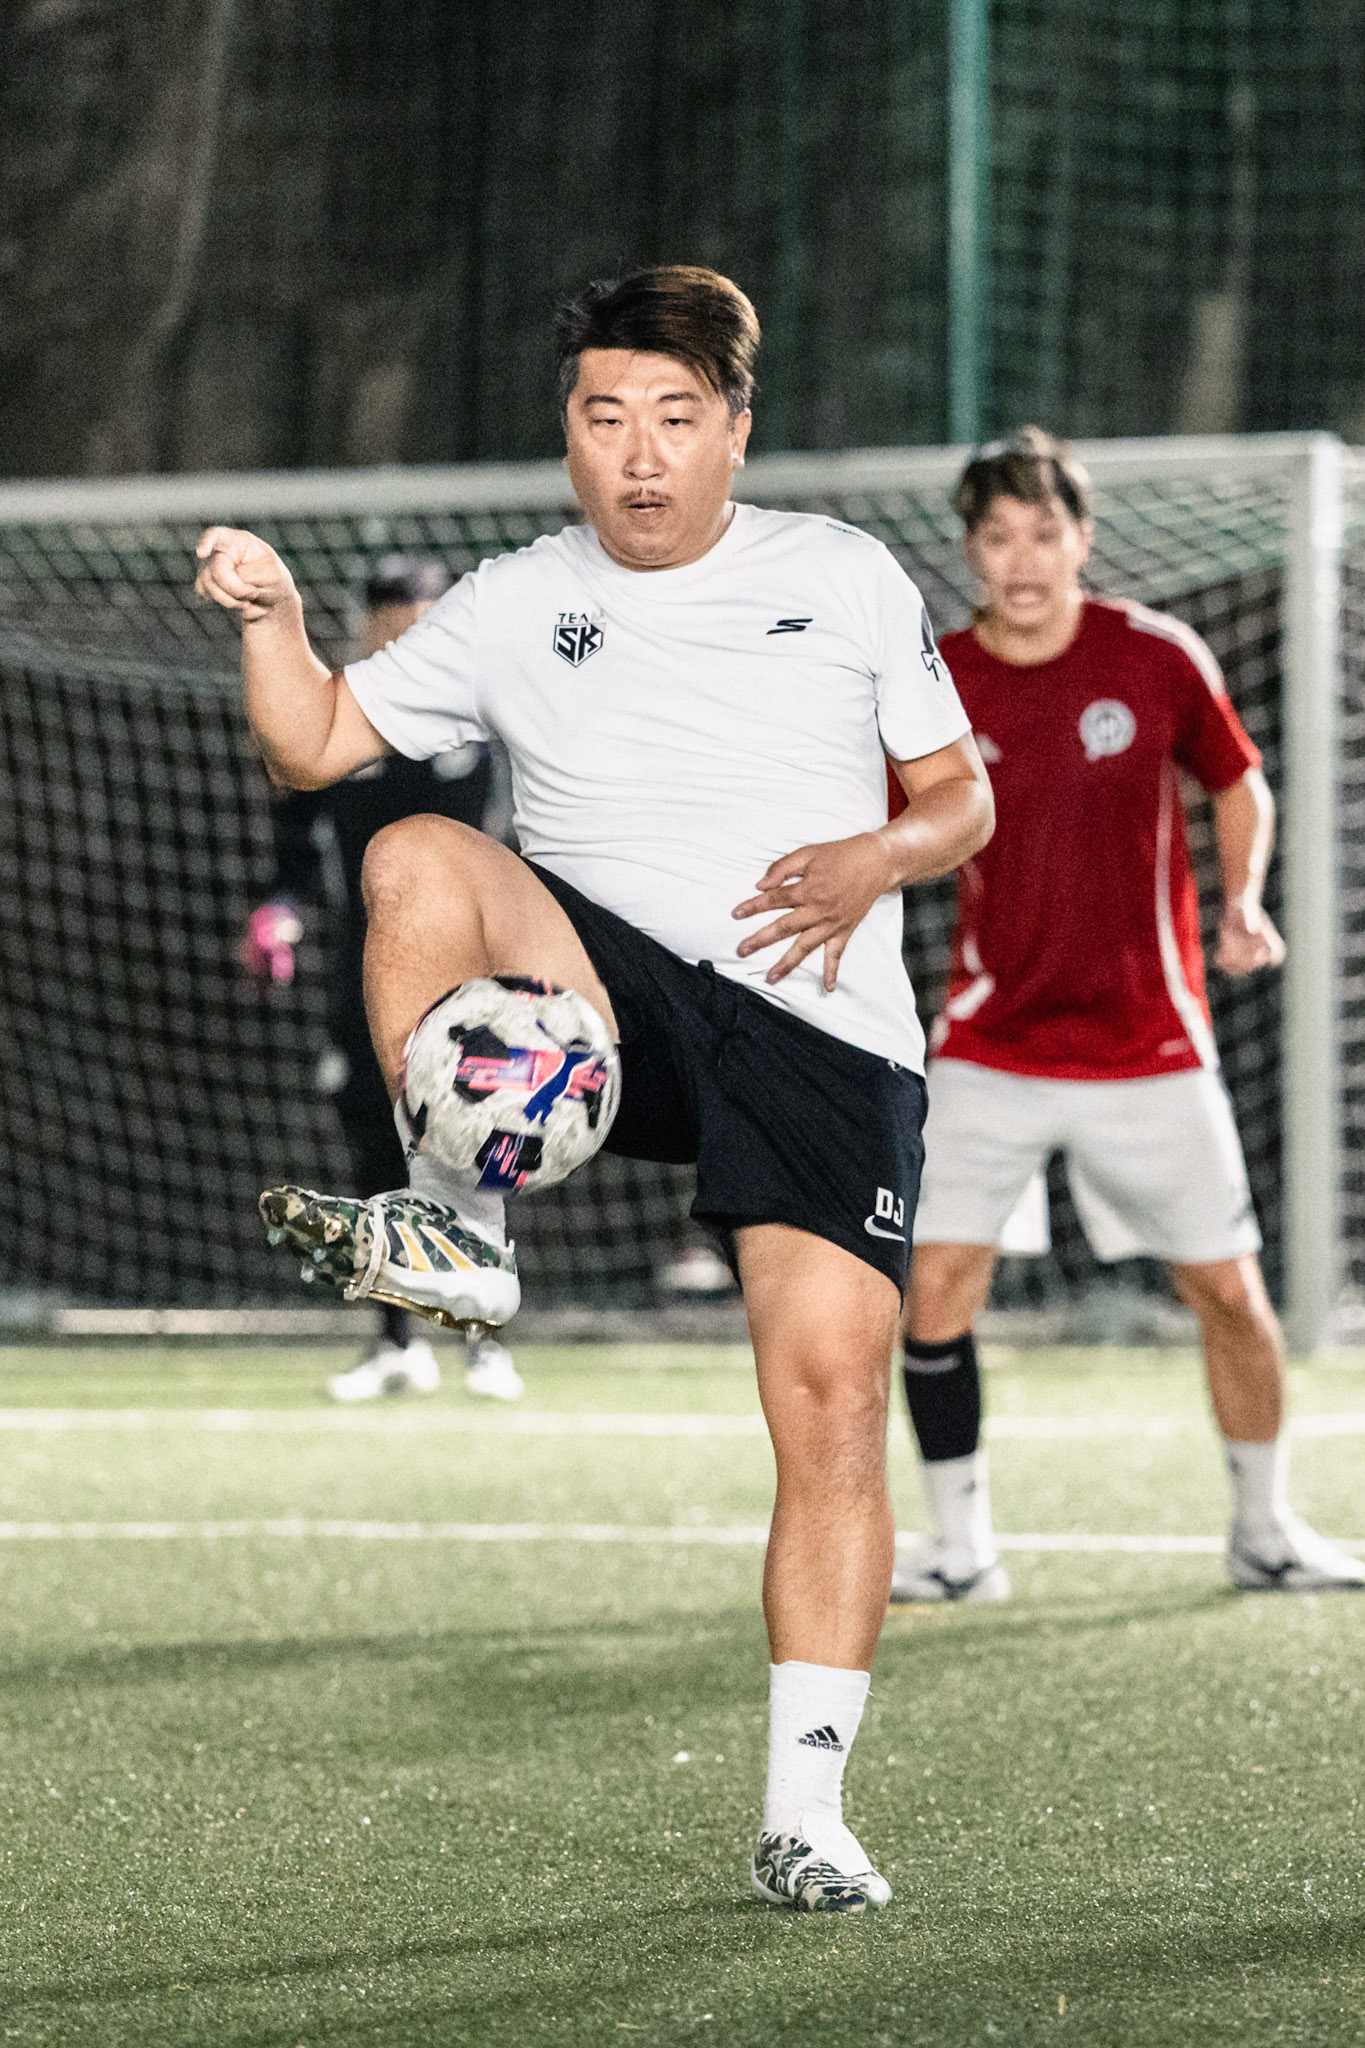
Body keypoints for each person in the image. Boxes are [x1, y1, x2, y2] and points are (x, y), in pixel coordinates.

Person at [194, 264, 993, 1912]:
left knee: (832, 1399)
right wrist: (274, 620)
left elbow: (962, 797)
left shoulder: (841, 575)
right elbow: (317, 747)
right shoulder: (508, 596)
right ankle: (459, 1227)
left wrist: (878, 854)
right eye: (606, 415)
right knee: (417, 847)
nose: (639, 452)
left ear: (735, 430)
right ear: (567, 432)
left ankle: (805, 1812)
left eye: (676, 419)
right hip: (604, 990)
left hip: (821, 1025)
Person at [890, 428, 1364, 1603]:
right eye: (997, 536)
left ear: (1083, 538)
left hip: (1147, 1042)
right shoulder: (936, 678)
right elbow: (879, 823)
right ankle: (961, 1549)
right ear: (972, 552)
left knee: (1234, 1297)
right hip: (990, 1042)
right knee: (933, 1291)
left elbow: (1240, 782)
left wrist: (1241, 900)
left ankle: (1263, 1530)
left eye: (1045, 531)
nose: (1024, 556)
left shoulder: (1155, 656)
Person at [240, 555, 523, 1404]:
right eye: (386, 608)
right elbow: (296, 848)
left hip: (467, 976)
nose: (402, 621)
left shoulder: (484, 718)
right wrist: (279, 909)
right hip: (361, 975)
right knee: (373, 1145)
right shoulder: (330, 718)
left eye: (418, 606)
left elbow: (525, 838)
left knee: (474, 1150)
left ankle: (483, 1340)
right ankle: (397, 1340)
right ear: (364, 620)